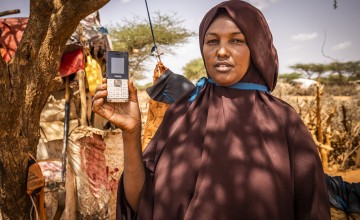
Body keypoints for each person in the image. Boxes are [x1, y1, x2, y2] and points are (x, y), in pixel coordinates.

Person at [92, 1, 330, 219]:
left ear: (257, 49)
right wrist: (131, 134)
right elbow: (140, 205)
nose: (222, 51)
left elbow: (313, 210)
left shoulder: (284, 122)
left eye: (236, 40)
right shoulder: (182, 113)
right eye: (212, 41)